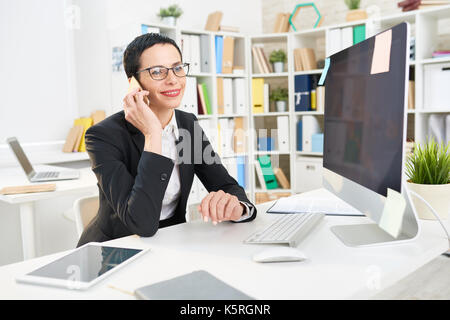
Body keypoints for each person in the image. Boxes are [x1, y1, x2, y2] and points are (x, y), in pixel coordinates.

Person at [77, 33, 256, 246]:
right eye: (157, 72)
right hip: (116, 248)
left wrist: (238, 208)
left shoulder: (187, 124)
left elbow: (227, 185)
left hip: (172, 241)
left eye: (178, 68)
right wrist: (154, 134)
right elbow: (141, 223)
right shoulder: (103, 136)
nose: (172, 79)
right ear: (134, 83)